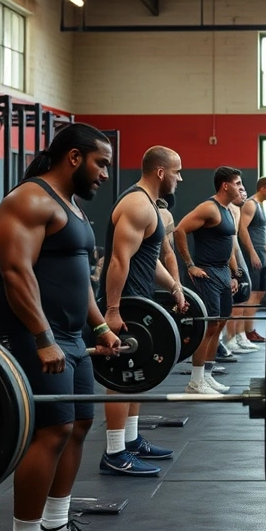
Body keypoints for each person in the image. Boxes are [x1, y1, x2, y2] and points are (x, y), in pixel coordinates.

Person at [0, 123, 120, 531]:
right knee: (51, 430)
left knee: (78, 426)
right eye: (100, 164)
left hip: (70, 335)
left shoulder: (71, 206)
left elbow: (80, 281)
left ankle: (55, 525)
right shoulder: (29, 200)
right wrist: (42, 338)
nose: (104, 175)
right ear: (73, 157)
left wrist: (99, 327)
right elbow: (16, 272)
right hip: (30, 331)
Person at [97, 146, 185, 477]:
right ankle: (115, 452)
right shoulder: (136, 204)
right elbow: (119, 260)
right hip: (124, 304)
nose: (180, 178)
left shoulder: (149, 206)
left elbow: (148, 263)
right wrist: (113, 309)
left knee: (137, 373)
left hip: (138, 300)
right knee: (120, 377)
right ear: (160, 172)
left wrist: (175, 287)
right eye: (177, 171)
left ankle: (131, 441)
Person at [174, 166, 244, 395]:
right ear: (225, 185)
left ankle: (207, 374)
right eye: (237, 183)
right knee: (208, 326)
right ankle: (195, 381)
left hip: (222, 273)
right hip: (206, 274)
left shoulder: (226, 210)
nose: (241, 187)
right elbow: (179, 230)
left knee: (220, 323)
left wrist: (234, 274)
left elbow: (229, 247)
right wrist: (190, 265)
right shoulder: (209, 208)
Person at [238, 176, 266, 344]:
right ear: (264, 188)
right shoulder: (250, 204)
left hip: (261, 253)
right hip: (251, 254)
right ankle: (246, 332)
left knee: (260, 293)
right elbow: (242, 229)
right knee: (251, 294)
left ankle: (250, 330)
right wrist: (252, 253)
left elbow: (263, 233)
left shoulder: (261, 206)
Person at [223, 183, 260, 354]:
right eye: (240, 190)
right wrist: (234, 266)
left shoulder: (237, 210)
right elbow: (230, 242)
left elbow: (235, 241)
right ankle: (230, 338)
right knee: (236, 301)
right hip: (231, 257)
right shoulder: (227, 209)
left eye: (245, 189)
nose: (244, 193)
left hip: (237, 255)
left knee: (243, 296)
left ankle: (240, 335)